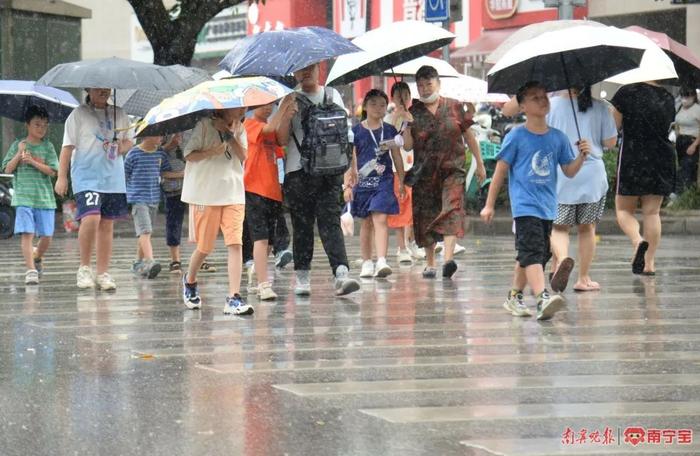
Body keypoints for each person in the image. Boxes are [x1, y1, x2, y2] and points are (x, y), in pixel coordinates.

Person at [480, 81, 591, 320]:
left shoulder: (558, 138)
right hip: (525, 205)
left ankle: (513, 296)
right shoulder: (516, 136)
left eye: (544, 96)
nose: (542, 101)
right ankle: (542, 298)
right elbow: (500, 171)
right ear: (522, 106)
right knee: (532, 250)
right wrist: (489, 204)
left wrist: (582, 156)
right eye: (535, 98)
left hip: (547, 206)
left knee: (535, 255)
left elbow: (569, 171)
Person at [277, 62, 360, 296]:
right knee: (302, 226)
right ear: (293, 72)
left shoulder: (333, 95)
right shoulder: (288, 99)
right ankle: (302, 277)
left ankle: (341, 273)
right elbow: (281, 140)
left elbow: (347, 135)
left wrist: (350, 169)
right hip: (297, 171)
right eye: (300, 69)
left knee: (330, 222)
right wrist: (285, 114)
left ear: (319, 69)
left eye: (310, 68)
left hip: (329, 171)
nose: (305, 72)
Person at [401, 65, 485, 279]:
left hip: (452, 170)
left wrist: (480, 163)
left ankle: (448, 260)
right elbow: (408, 146)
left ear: (438, 83)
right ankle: (430, 263)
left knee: (452, 208)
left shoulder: (455, 107)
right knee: (425, 216)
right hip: (425, 173)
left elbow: (469, 137)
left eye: (429, 83)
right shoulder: (413, 112)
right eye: (420, 85)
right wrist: (405, 125)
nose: (425, 89)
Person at [55, 88, 133, 291]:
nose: (103, 90)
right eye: (98, 86)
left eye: (107, 86)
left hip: (113, 178)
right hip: (86, 175)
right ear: (88, 89)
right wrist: (61, 177)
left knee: (107, 224)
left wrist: (117, 146)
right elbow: (67, 147)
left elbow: (129, 142)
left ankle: (102, 273)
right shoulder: (78, 114)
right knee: (91, 218)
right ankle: (84, 268)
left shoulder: (120, 113)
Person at [180, 108, 253, 315]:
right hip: (206, 194)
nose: (243, 110)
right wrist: (212, 151)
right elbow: (189, 154)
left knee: (235, 243)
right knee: (205, 247)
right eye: (238, 107)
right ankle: (190, 280)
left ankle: (233, 297)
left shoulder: (240, 129)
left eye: (244, 108)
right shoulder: (204, 125)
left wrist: (229, 135)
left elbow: (243, 155)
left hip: (233, 193)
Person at [547, 87, 618, 292]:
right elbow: (610, 142)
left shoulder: (550, 106)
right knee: (587, 229)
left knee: (559, 227)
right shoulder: (602, 107)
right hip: (592, 177)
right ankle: (583, 279)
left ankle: (561, 260)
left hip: (562, 174)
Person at [610, 81, 676, 276]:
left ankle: (637, 241)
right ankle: (649, 264)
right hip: (662, 156)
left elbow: (615, 126)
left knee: (623, 209)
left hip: (633, 155)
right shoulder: (667, 97)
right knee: (652, 213)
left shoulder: (625, 93)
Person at [347, 89, 405, 279]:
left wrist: (402, 180)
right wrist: (347, 185)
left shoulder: (389, 130)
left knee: (380, 218)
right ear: (365, 106)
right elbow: (350, 160)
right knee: (366, 223)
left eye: (382, 105)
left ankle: (381, 260)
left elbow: (396, 156)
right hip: (363, 182)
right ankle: (366, 262)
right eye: (373, 104)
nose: (378, 108)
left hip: (384, 181)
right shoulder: (355, 132)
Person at [243, 95, 296, 300]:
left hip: (273, 190)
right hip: (254, 189)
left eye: (271, 104)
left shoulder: (269, 124)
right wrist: (282, 108)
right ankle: (264, 284)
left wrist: (286, 115)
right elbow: (267, 130)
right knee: (261, 238)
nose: (268, 108)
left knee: (270, 241)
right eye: (263, 104)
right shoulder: (248, 125)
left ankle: (256, 273)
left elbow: (281, 139)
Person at [2, 106, 58, 285]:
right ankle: (30, 269)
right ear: (27, 125)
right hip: (23, 198)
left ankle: (37, 256)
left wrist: (33, 162)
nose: (41, 128)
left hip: (44, 198)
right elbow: (7, 169)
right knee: (27, 234)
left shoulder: (48, 146)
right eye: (37, 124)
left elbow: (53, 171)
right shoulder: (18, 144)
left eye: (44, 125)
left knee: (46, 236)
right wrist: (19, 154)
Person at [124, 134, 182, 279]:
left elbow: (164, 172)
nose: (161, 137)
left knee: (146, 233)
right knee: (145, 231)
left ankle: (137, 263)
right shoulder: (133, 154)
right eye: (157, 135)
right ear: (145, 136)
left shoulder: (160, 153)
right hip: (138, 199)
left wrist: (182, 174)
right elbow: (124, 175)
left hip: (154, 199)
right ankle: (150, 261)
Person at [386, 81, 424, 264]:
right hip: (395, 170)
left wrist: (409, 123)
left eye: (406, 96)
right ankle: (402, 247)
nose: (403, 99)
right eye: (399, 96)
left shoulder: (414, 117)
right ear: (392, 98)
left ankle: (413, 242)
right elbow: (389, 142)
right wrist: (396, 119)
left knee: (414, 207)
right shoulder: (388, 119)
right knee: (400, 207)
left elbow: (410, 145)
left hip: (414, 168)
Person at [160, 133, 187, 274]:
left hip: (195, 184)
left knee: (201, 220)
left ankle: (202, 258)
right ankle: (175, 259)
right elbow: (152, 155)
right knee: (174, 222)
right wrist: (169, 145)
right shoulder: (160, 127)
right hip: (172, 187)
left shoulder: (193, 126)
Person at [674, 87, 700, 193]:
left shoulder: (697, 109)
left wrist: (694, 145)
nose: (684, 99)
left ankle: (681, 193)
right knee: (681, 166)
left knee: (688, 167)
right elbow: (676, 123)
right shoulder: (680, 107)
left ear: (693, 97)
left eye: (687, 96)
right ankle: (687, 192)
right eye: (683, 96)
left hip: (692, 140)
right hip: (680, 140)